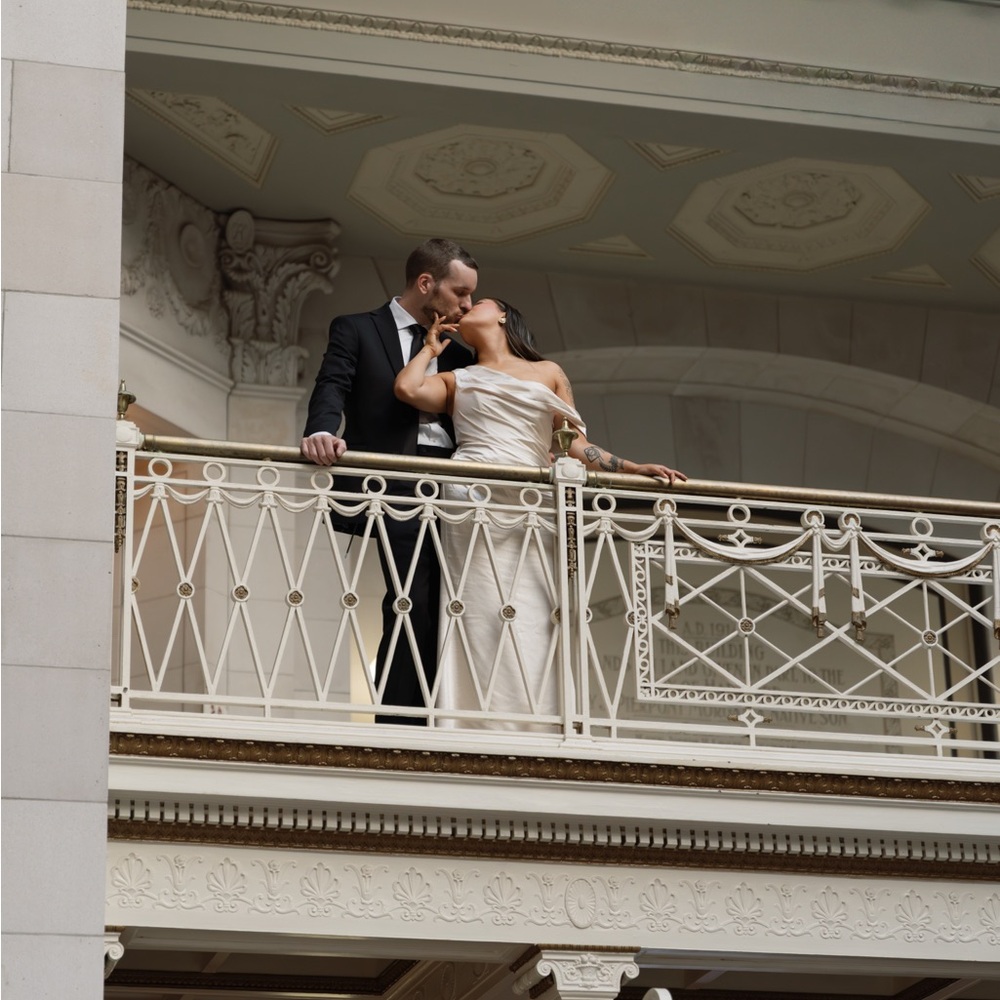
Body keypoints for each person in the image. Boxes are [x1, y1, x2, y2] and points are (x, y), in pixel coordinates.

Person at [395, 297, 685, 730]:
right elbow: (407, 389)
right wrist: (430, 349)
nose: (467, 306)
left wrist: (631, 467)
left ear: (503, 315)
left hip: (529, 500)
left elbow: (574, 443)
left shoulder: (548, 371)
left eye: (480, 301)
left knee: (531, 607)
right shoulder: (459, 377)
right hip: (471, 497)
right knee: (477, 607)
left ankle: (534, 721)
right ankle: (472, 721)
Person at [301, 238, 479, 724]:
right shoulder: (357, 328)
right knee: (411, 598)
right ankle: (402, 724)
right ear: (426, 283)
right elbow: (332, 384)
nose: (467, 305)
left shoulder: (462, 354)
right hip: (394, 480)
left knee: (452, 601)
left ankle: (448, 717)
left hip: (458, 484)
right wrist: (321, 430)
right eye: (460, 292)